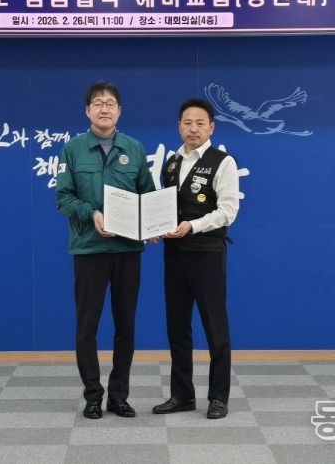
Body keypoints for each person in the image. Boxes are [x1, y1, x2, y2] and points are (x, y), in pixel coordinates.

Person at [55, 80, 155, 419]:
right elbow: (63, 198)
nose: (104, 108)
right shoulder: (73, 149)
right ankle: (93, 396)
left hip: (127, 251)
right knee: (87, 327)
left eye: (110, 103)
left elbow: (148, 196)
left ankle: (119, 396)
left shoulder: (134, 148)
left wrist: (152, 225)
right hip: (89, 250)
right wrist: (91, 214)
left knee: (126, 326)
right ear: (87, 111)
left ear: (119, 111)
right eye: (97, 103)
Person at [152, 98, 239, 420]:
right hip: (174, 256)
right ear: (179, 126)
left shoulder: (223, 162)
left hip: (207, 256)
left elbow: (228, 211)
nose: (193, 128)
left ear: (211, 128)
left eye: (200, 123)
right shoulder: (172, 162)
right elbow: (164, 207)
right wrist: (153, 228)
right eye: (187, 123)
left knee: (216, 329)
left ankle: (218, 397)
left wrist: (193, 225)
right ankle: (182, 395)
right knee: (177, 328)